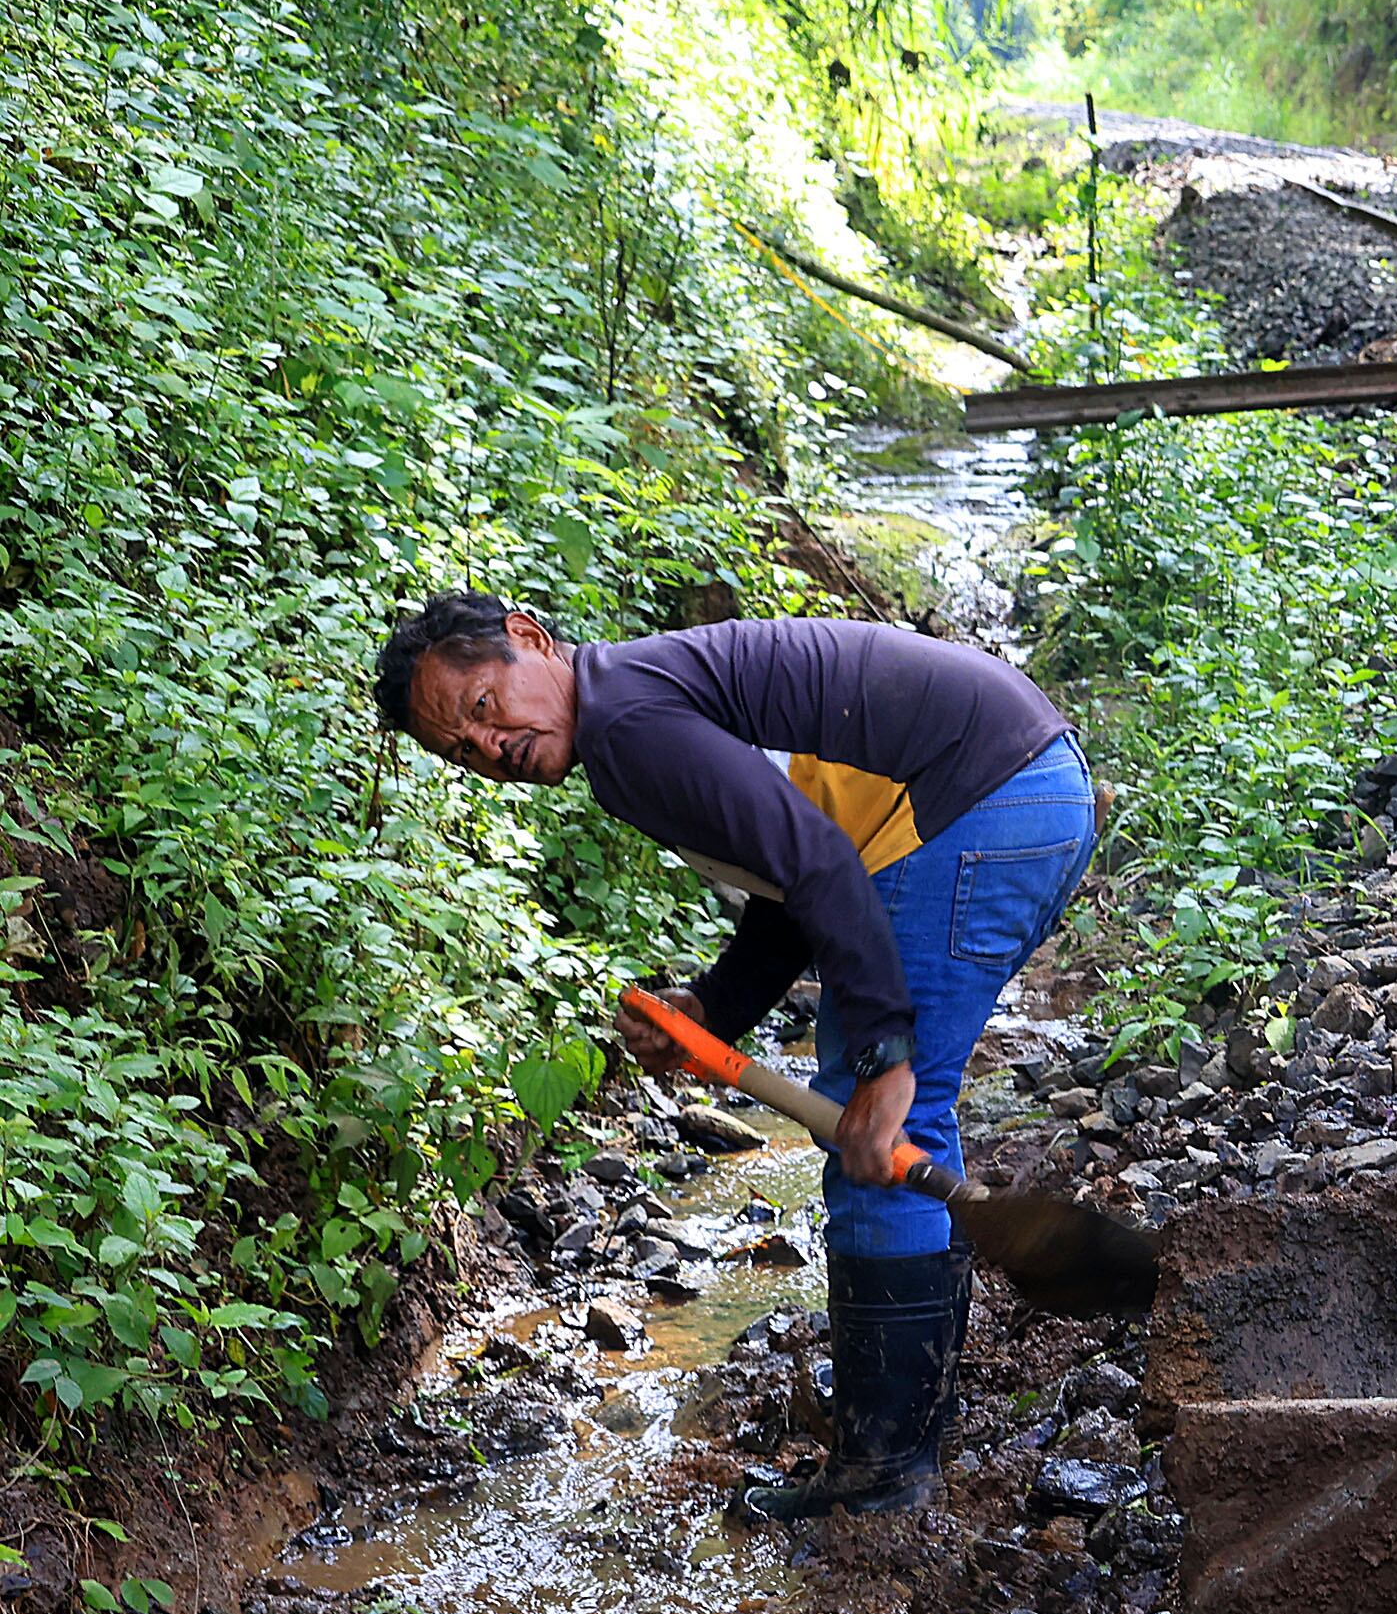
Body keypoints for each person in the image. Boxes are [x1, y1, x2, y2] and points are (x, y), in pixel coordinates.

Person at [375, 593, 1096, 1519]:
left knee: (883, 1124)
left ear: (528, 639)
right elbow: (791, 866)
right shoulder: (629, 709)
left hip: (981, 799)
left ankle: (887, 1472)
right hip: (1017, 784)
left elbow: (822, 862)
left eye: (481, 707)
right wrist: (712, 1005)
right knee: (889, 1128)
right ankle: (905, 1443)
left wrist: (883, 1053)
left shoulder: (628, 722)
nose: (490, 746)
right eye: (461, 751)